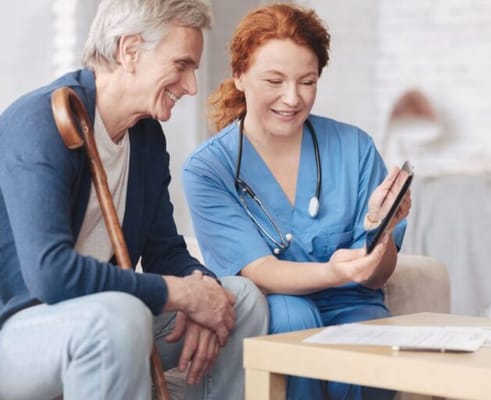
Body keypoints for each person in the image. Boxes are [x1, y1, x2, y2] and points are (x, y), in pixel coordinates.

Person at [0, 1, 268, 399]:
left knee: (240, 300)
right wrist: (179, 294)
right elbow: (50, 274)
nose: (192, 86)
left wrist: (204, 293)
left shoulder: (145, 138)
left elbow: (166, 251)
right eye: (181, 65)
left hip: (105, 322)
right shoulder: (40, 121)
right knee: (117, 316)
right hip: (20, 332)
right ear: (130, 51)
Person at [182, 3, 411, 400]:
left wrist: (381, 229)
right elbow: (260, 272)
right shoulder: (208, 169)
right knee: (293, 314)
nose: (292, 99)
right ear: (239, 76)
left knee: (367, 342)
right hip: (277, 309)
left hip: (351, 304)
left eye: (307, 82)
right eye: (274, 81)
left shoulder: (354, 148)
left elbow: (375, 275)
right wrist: (339, 271)